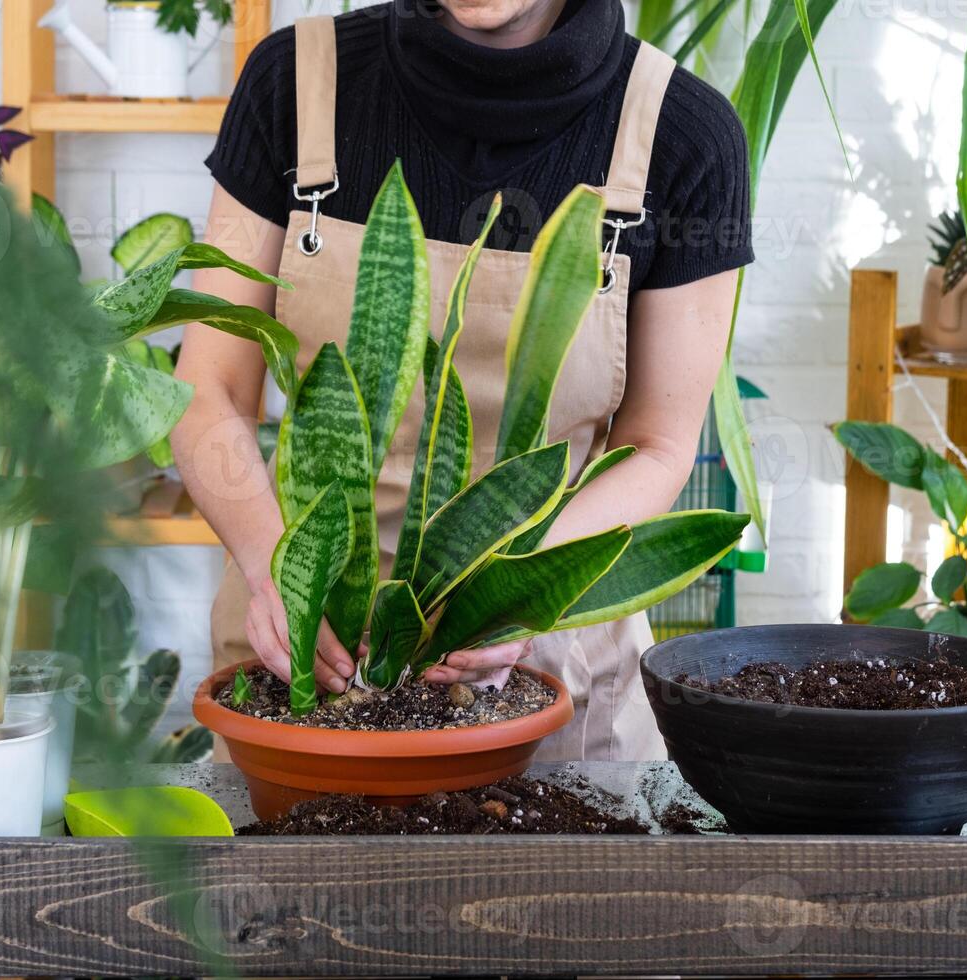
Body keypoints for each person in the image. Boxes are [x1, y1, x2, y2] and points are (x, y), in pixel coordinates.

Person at [171, 0, 754, 761]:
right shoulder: (294, 82)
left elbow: (658, 444)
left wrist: (513, 601)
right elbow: (208, 386)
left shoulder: (683, 133)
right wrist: (274, 565)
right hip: (304, 655)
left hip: (546, 666)